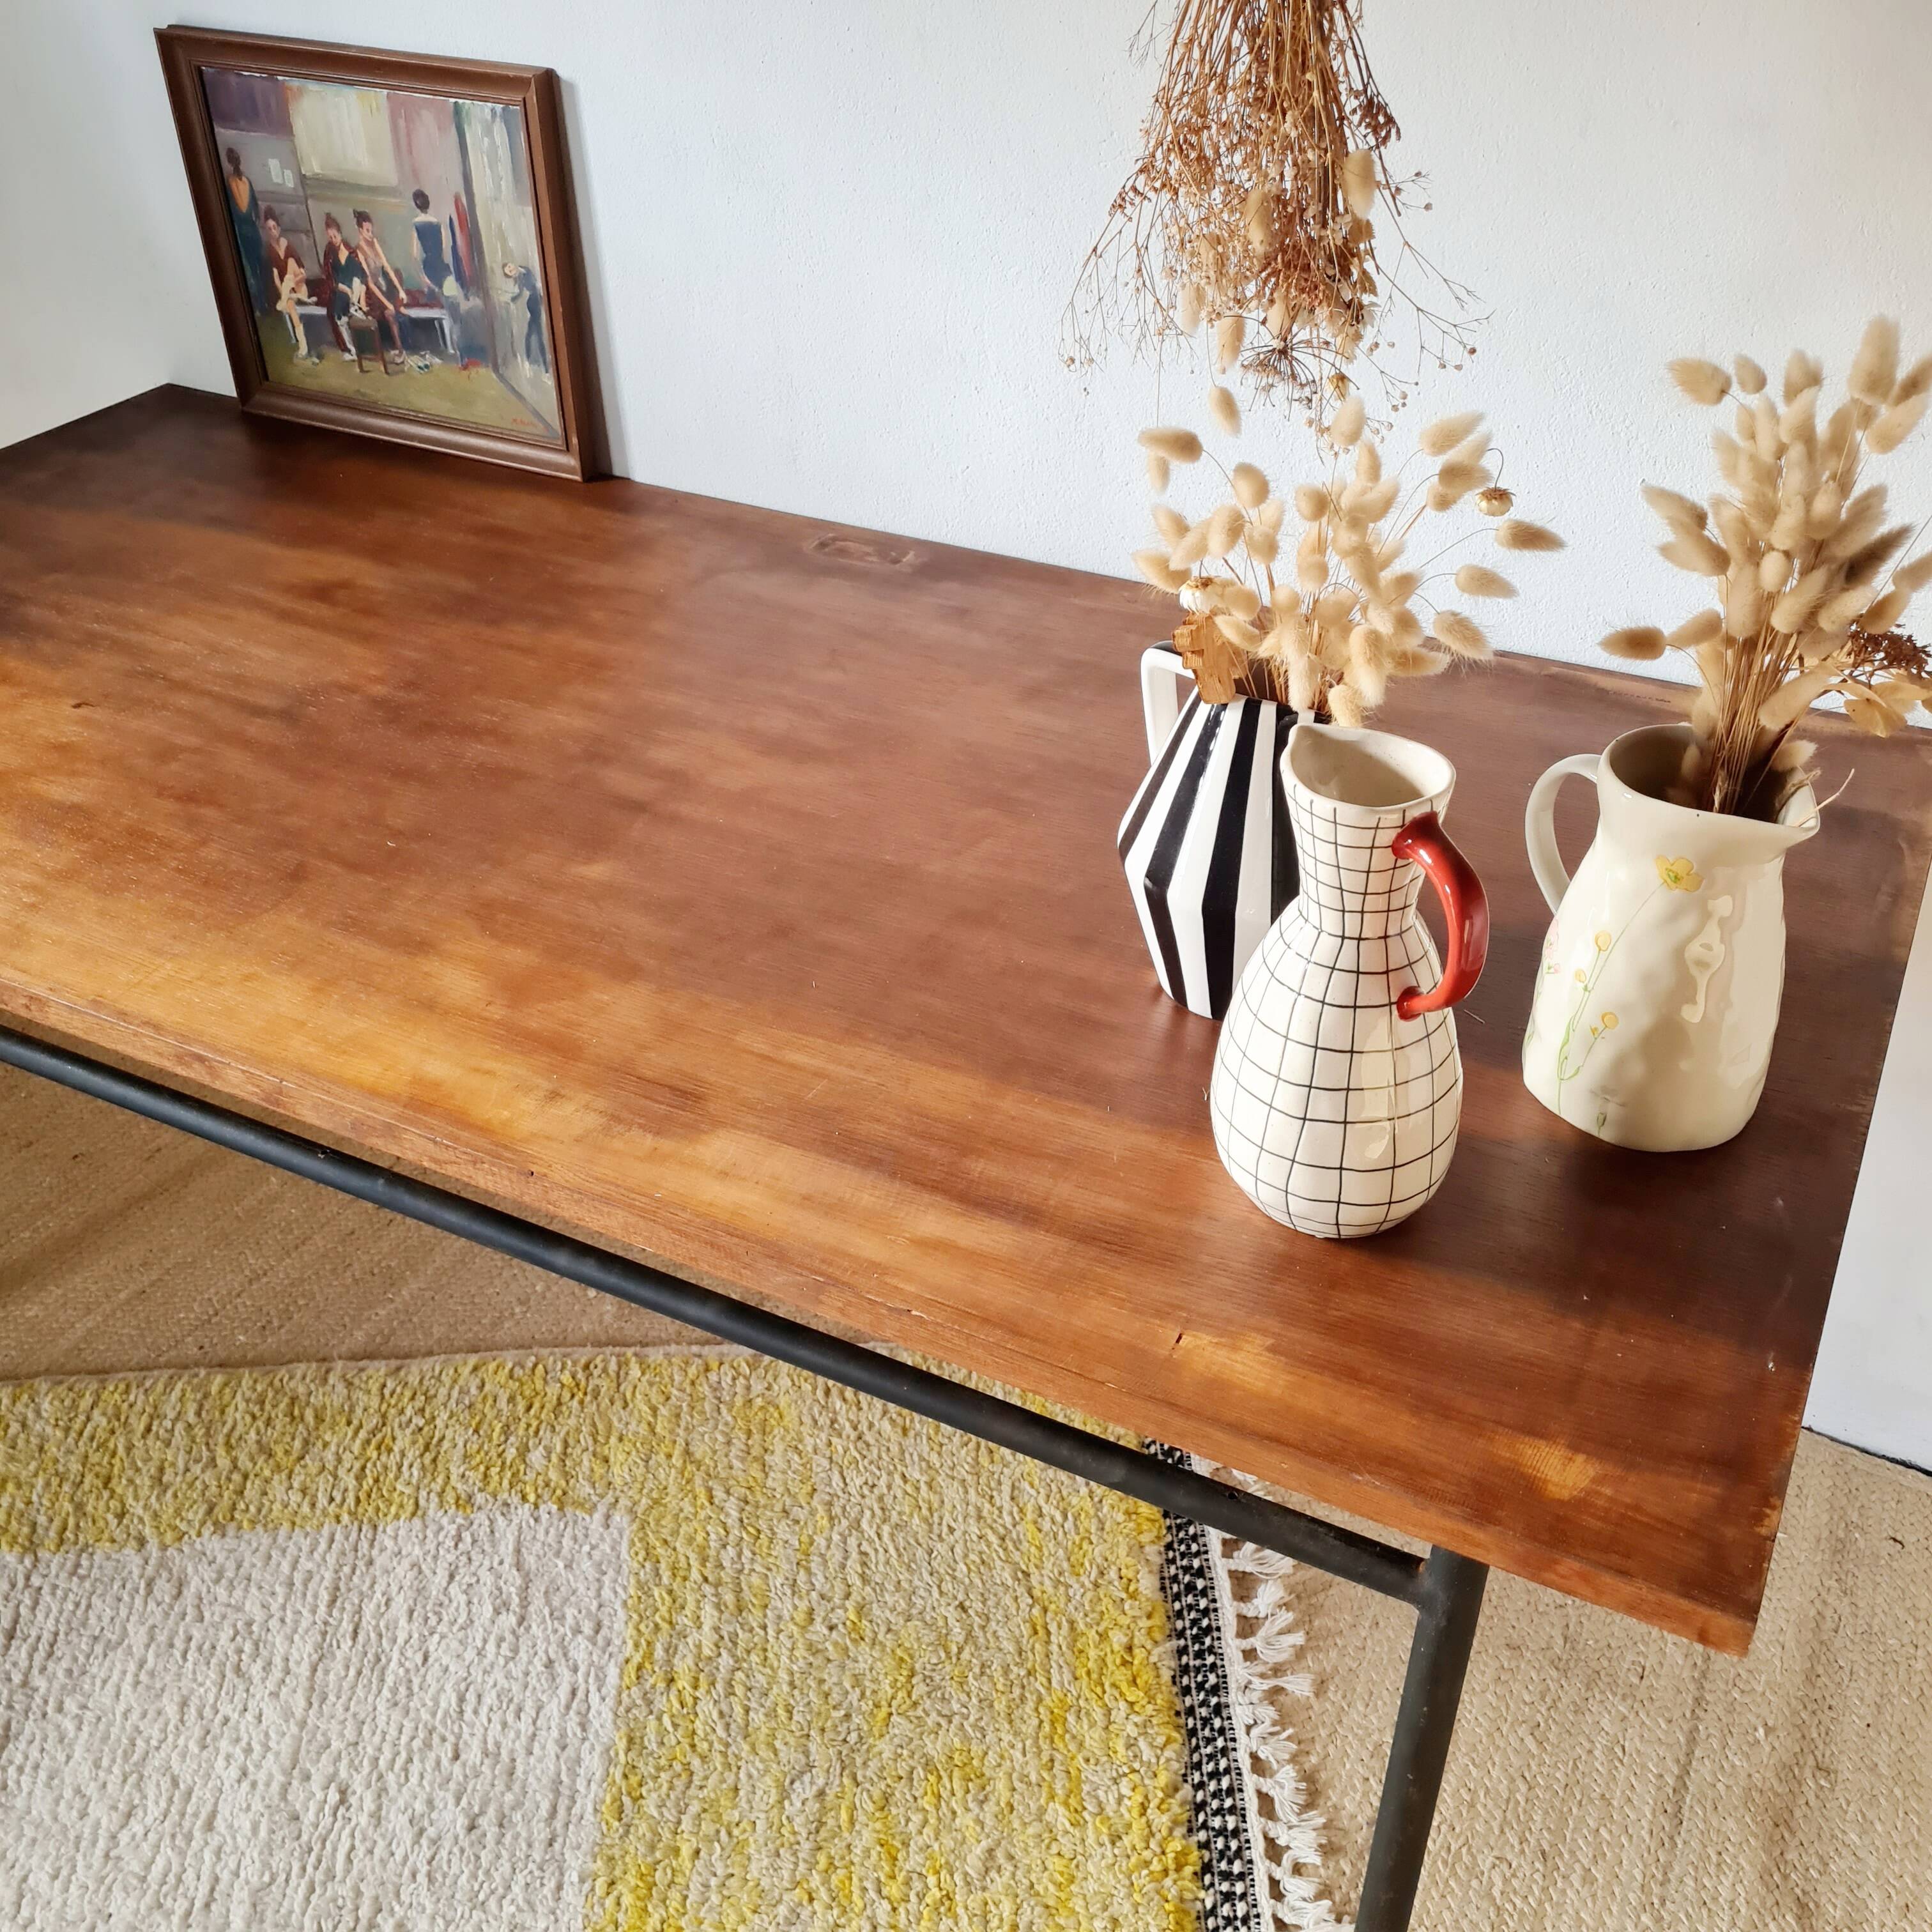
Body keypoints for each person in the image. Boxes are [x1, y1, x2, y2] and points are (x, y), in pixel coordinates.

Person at [319, 213, 400, 364]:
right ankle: (352, 349)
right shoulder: (330, 253)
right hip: (341, 289)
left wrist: (360, 296)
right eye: (330, 237)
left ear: (340, 233)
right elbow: (331, 278)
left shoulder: (351, 251)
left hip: (356, 290)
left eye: (335, 236)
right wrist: (345, 289)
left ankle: (367, 344)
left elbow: (362, 276)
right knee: (339, 315)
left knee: (360, 304)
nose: (334, 240)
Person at [260, 209, 314, 362]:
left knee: (291, 262)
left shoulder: (288, 246)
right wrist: (285, 292)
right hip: (288, 293)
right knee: (290, 306)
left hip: (300, 289)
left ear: (279, 228)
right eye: (269, 229)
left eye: (274, 228)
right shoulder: (269, 251)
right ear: (267, 232)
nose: (273, 232)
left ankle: (287, 297)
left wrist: (292, 284)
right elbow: (276, 278)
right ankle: (303, 347)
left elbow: (303, 274)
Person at [224, 146, 266, 314]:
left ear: (230, 162)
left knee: (252, 268)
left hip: (243, 231)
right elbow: (255, 209)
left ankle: (260, 304)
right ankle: (263, 303)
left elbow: (234, 210)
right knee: (258, 267)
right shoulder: (245, 181)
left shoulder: (231, 182)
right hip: (252, 230)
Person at [502, 261, 549, 374]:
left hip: (535, 303)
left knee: (535, 336)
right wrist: (511, 299)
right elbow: (520, 294)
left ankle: (542, 366)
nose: (511, 270)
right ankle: (537, 364)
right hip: (533, 305)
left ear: (511, 264)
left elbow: (535, 284)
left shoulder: (524, 271)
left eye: (510, 267)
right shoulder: (520, 279)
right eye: (509, 272)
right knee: (533, 335)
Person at [410, 188, 453, 295]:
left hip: (428, 269)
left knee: (433, 300)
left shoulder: (416, 225)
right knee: (448, 296)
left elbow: (415, 256)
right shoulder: (438, 224)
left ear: (416, 205)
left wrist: (423, 279)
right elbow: (444, 249)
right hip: (441, 267)